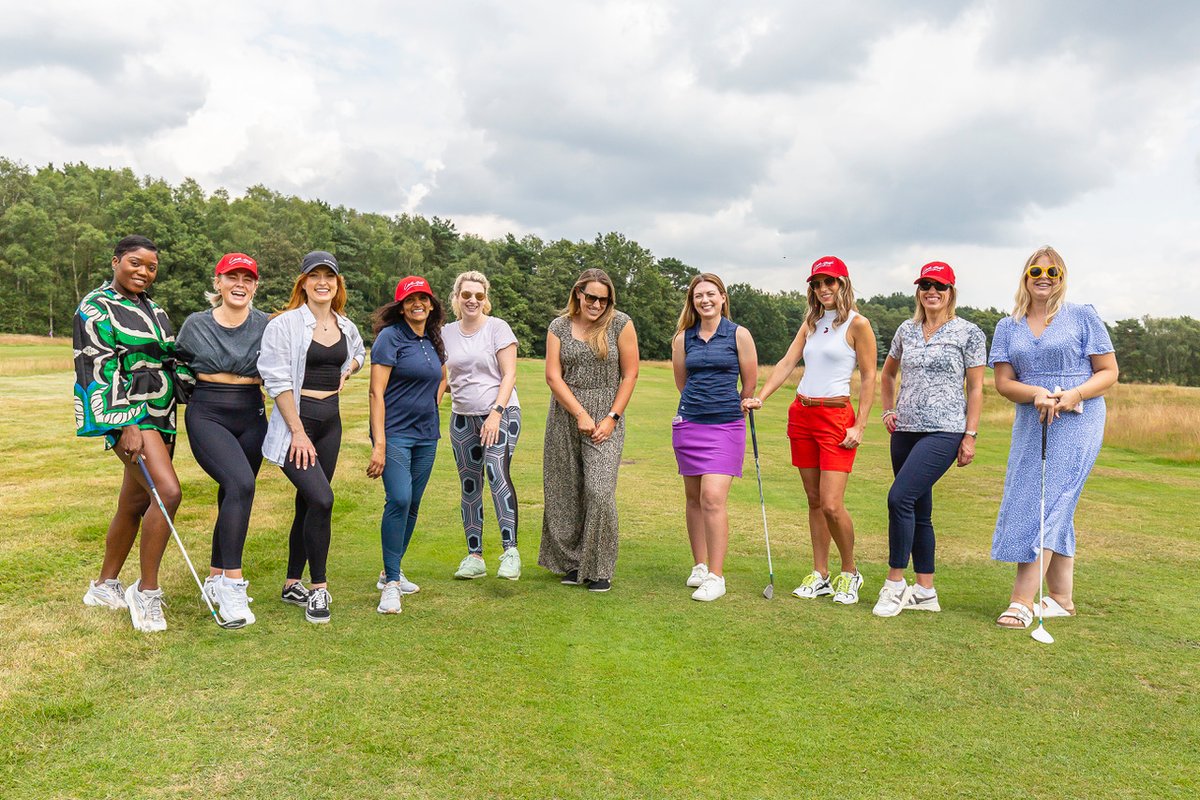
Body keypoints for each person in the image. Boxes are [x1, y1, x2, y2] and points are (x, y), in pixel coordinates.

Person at [990, 246, 1118, 629]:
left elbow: (1108, 371)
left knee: (1049, 502)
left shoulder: (1082, 316)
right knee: (1043, 499)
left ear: (1062, 277)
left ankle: (1022, 600)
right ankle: (1061, 598)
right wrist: (1035, 394)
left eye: (1053, 271)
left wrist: (1074, 393)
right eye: (1036, 270)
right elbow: (1003, 382)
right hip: (1033, 421)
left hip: (1078, 419)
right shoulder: (1007, 326)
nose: (1044, 276)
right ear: (1025, 276)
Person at [73, 234, 193, 633]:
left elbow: (169, 358)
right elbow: (97, 367)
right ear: (115, 262)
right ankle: (147, 591)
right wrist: (125, 423)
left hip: (163, 413)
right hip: (132, 416)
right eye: (136, 263)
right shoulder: (95, 307)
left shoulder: (155, 310)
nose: (144, 272)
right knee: (168, 492)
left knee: (135, 502)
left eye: (152, 267)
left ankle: (104, 585)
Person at [744, 256, 877, 605]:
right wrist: (762, 397)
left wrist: (860, 424)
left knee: (832, 504)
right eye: (817, 284)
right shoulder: (811, 323)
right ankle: (820, 574)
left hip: (836, 417)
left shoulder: (858, 324)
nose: (823, 289)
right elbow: (788, 362)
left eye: (829, 282)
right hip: (802, 414)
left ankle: (850, 572)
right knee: (815, 500)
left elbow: (869, 377)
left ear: (843, 284)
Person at [872, 262, 986, 617]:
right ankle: (925, 591)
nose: (931, 291)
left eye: (939, 285)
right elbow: (888, 373)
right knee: (920, 511)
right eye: (925, 284)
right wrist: (888, 410)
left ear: (951, 291)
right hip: (905, 429)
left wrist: (970, 434)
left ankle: (894, 583)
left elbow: (977, 386)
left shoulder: (968, 332)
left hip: (945, 429)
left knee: (899, 498)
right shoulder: (906, 330)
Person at [258, 251, 364, 624]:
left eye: (329, 276)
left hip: (330, 423)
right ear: (302, 282)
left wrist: (348, 368)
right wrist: (298, 433)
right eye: (314, 276)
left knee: (308, 503)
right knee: (323, 498)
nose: (323, 282)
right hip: (296, 425)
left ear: (337, 284)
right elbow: (277, 380)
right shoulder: (284, 325)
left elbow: (358, 353)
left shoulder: (344, 325)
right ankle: (318, 589)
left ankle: (291, 583)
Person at [175, 253, 269, 626]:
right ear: (218, 282)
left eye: (248, 278)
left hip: (252, 413)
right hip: (209, 411)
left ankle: (215, 576)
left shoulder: (266, 325)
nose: (240, 284)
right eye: (233, 277)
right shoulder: (195, 325)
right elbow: (176, 364)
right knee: (241, 483)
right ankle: (232, 585)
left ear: (256, 286)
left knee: (234, 492)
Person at [539, 268, 639, 592]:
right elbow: (553, 376)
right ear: (578, 294)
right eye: (591, 297)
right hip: (565, 413)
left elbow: (630, 375)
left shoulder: (620, 323)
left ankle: (599, 567)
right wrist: (579, 412)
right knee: (565, 490)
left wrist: (612, 417)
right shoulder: (559, 326)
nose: (596, 304)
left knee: (599, 490)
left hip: (606, 414)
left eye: (603, 299)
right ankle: (573, 562)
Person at [670, 273, 758, 602]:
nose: (704, 300)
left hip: (726, 426)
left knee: (712, 498)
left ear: (723, 297)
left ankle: (717, 576)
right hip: (690, 423)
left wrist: (737, 404)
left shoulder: (739, 335)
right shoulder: (684, 338)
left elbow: (749, 382)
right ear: (692, 302)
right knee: (693, 499)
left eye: (710, 294)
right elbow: (683, 382)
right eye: (697, 296)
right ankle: (700, 565)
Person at [367, 276, 446, 614]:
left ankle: (390, 572)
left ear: (431, 304)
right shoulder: (390, 337)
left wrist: (433, 402)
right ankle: (392, 587)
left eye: (423, 298)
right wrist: (379, 443)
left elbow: (442, 377)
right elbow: (376, 392)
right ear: (400, 306)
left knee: (412, 503)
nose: (418, 304)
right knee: (398, 498)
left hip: (427, 434)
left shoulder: (431, 339)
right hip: (395, 434)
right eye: (411, 299)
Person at [441, 271, 523, 581]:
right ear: (457, 298)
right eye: (466, 295)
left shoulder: (497, 329)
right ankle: (474, 557)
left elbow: (509, 375)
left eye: (478, 295)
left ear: (484, 299)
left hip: (501, 413)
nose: (472, 300)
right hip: (462, 416)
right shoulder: (446, 332)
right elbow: (447, 378)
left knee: (495, 471)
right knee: (469, 484)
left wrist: (496, 412)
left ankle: (510, 551)